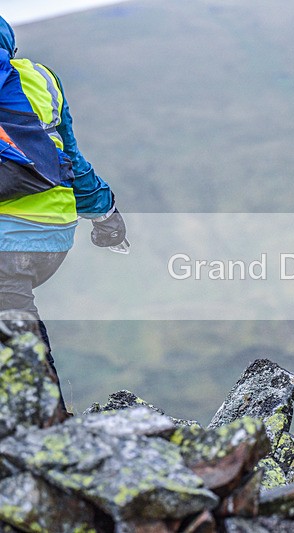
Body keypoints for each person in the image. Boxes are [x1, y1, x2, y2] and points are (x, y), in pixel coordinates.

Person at [0, 15, 127, 411]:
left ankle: (46, 426)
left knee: (16, 331)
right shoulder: (40, 79)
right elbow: (68, 154)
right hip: (54, 237)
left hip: (8, 242)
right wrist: (106, 214)